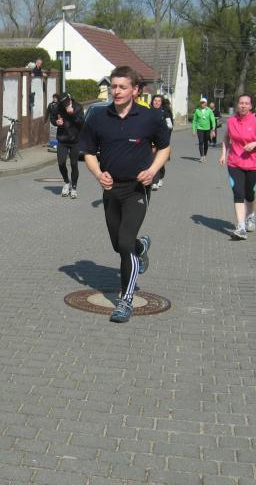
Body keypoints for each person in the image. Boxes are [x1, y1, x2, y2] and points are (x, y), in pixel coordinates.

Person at [80, 66, 171, 323]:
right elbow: (88, 152)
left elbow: (165, 148)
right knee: (118, 244)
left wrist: (152, 170)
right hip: (110, 188)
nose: (117, 91)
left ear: (135, 90)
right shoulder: (98, 116)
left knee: (125, 243)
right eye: (114, 86)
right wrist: (98, 174)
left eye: (122, 87)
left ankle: (125, 300)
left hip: (137, 189)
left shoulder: (150, 117)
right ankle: (142, 246)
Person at [218, 94, 256, 240]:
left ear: (250, 106)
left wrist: (254, 144)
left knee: (249, 194)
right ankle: (241, 227)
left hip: (254, 163)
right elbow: (226, 138)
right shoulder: (231, 121)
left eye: (246, 103)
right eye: (241, 103)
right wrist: (223, 154)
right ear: (237, 105)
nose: (243, 105)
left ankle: (250, 215)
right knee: (238, 193)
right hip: (235, 163)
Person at [52, 92, 84, 198]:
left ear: (69, 98)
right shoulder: (58, 107)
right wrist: (56, 122)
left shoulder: (78, 107)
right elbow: (52, 118)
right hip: (62, 140)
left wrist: (72, 114)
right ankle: (66, 182)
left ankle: (74, 187)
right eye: (63, 103)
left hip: (75, 141)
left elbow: (81, 122)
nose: (65, 104)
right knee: (61, 163)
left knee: (74, 164)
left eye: (66, 101)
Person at [150, 94, 174, 191]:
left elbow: (170, 126)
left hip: (162, 140)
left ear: (161, 102)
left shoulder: (165, 112)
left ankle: (160, 177)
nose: (156, 102)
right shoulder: (148, 111)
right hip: (150, 140)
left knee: (160, 161)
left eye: (159, 101)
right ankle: (154, 182)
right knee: (152, 160)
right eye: (155, 100)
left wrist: (164, 135)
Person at [192, 97, 216, 162]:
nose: (202, 104)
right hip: (199, 128)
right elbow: (194, 121)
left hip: (207, 129)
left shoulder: (209, 110)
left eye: (203, 102)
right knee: (200, 142)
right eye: (201, 102)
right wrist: (194, 130)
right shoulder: (197, 110)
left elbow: (213, 120)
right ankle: (201, 156)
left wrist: (213, 129)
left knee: (205, 142)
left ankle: (204, 155)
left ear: (206, 103)